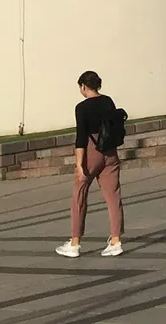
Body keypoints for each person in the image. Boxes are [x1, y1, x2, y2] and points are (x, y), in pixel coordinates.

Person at [56, 71, 124, 258]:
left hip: (91, 150)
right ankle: (115, 240)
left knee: (79, 194)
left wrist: (79, 165)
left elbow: (80, 138)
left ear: (84, 86)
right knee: (113, 196)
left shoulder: (82, 107)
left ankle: (75, 242)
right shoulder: (108, 101)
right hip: (110, 151)